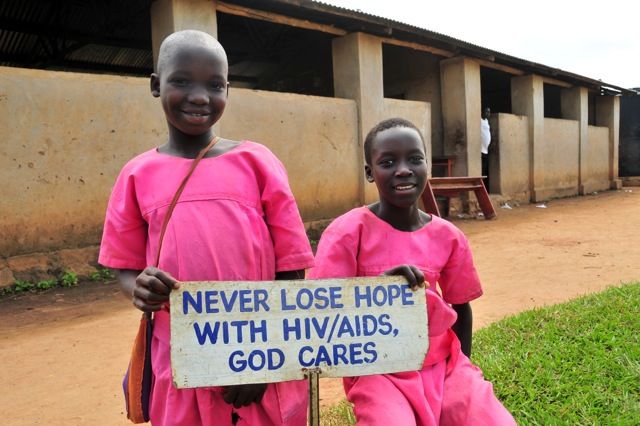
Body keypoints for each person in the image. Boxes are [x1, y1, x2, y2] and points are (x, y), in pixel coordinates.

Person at [98, 30, 314, 426]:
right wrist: (138, 288)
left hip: (261, 350)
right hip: (181, 357)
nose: (199, 97)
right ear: (156, 85)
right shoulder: (136, 175)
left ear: (227, 90)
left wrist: (265, 359)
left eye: (214, 85)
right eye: (182, 81)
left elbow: (292, 270)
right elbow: (126, 268)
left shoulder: (257, 162)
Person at [309, 118, 514, 425]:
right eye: (388, 162)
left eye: (415, 159)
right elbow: (320, 308)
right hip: (377, 369)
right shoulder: (347, 232)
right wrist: (376, 292)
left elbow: (461, 306)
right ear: (369, 172)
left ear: (426, 165)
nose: (403, 170)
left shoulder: (448, 236)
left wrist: (462, 372)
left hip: (442, 364)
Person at [481, 107, 491, 188]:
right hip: (480, 149)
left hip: (486, 150)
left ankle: (485, 187)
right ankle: (482, 186)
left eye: (489, 112)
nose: (488, 114)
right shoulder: (479, 120)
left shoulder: (486, 121)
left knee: (485, 170)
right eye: (486, 112)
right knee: (482, 170)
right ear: (482, 112)